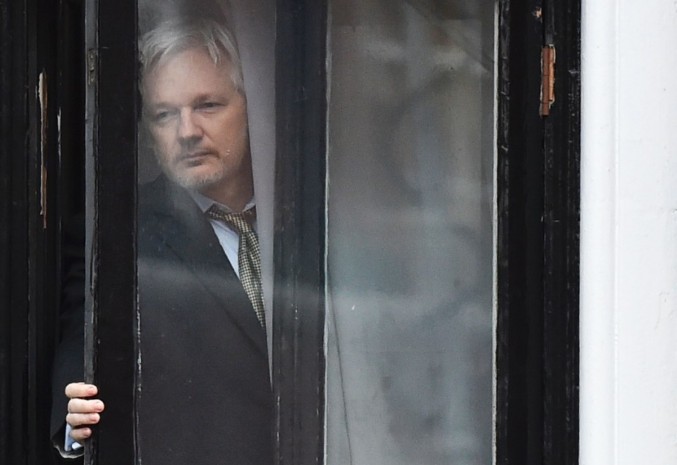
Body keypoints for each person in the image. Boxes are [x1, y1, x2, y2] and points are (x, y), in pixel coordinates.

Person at [51, 17, 273, 465]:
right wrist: (74, 411)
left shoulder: (311, 210)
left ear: (254, 107)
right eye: (165, 114)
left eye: (207, 105)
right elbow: (85, 338)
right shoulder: (118, 233)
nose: (187, 131)